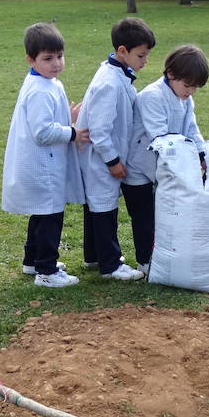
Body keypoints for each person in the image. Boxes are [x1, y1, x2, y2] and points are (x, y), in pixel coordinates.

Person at [2, 22, 91, 288]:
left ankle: (33, 261)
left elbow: (52, 118)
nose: (56, 64)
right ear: (31, 59)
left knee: (41, 214)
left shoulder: (49, 83)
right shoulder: (40, 89)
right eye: (48, 58)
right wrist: (72, 132)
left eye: (60, 56)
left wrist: (69, 117)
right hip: (42, 167)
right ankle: (46, 271)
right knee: (50, 216)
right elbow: (42, 132)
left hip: (46, 165)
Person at [75, 17, 154, 281]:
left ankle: (94, 255)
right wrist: (112, 161)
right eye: (140, 56)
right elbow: (99, 130)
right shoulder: (109, 83)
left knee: (97, 204)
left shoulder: (117, 75)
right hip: (101, 159)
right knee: (103, 206)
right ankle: (109, 265)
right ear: (122, 51)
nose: (145, 61)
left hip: (102, 156)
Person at [122, 43, 209, 274]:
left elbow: (191, 128)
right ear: (171, 74)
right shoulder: (152, 96)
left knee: (164, 215)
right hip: (138, 168)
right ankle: (145, 262)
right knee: (144, 218)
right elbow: (160, 136)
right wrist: (185, 158)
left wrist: (201, 153)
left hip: (165, 169)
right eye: (187, 85)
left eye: (195, 87)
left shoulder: (185, 99)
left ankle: (163, 256)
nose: (190, 91)